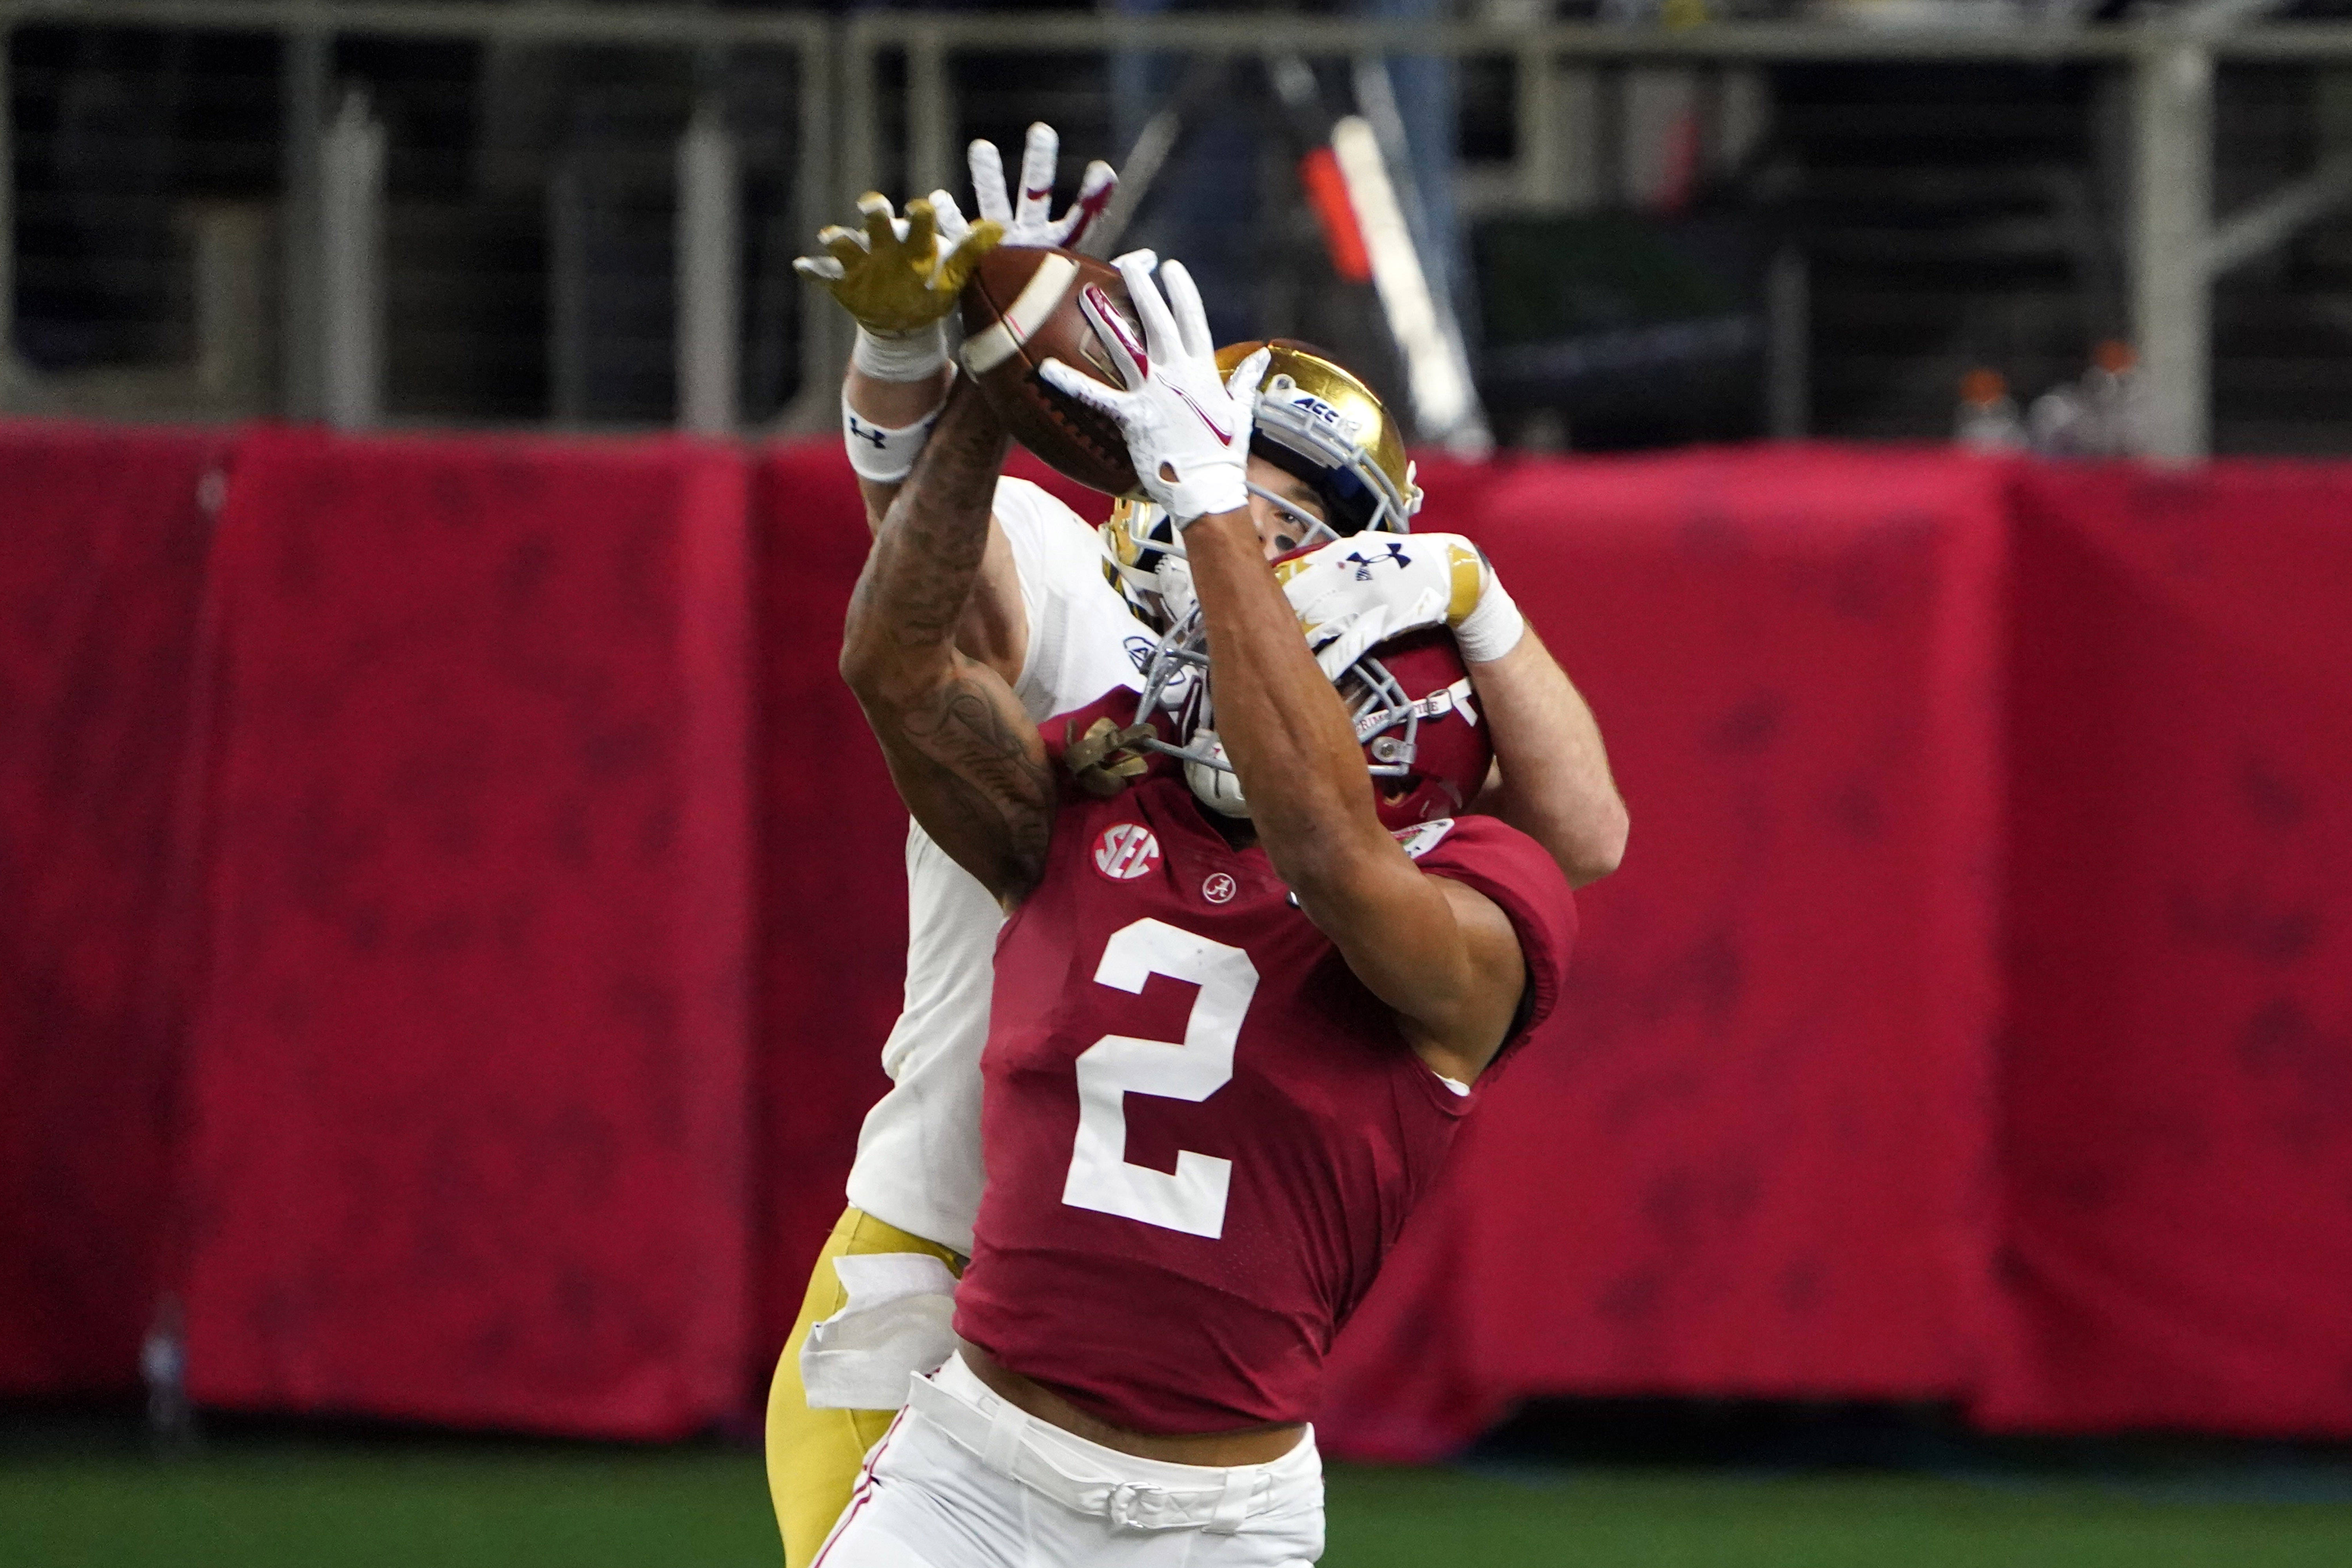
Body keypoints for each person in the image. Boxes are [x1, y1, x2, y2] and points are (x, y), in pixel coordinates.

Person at [769, 126, 1628, 1566]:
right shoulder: (1076, 623)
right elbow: (910, 587)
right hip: (944, 1254)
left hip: (1196, 1430)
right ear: (1144, 449)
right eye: (1248, 486)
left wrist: (1466, 590)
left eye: (1309, 516)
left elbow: (1567, 834)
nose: (1270, 532)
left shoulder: (1370, 753)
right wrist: (937, 362)